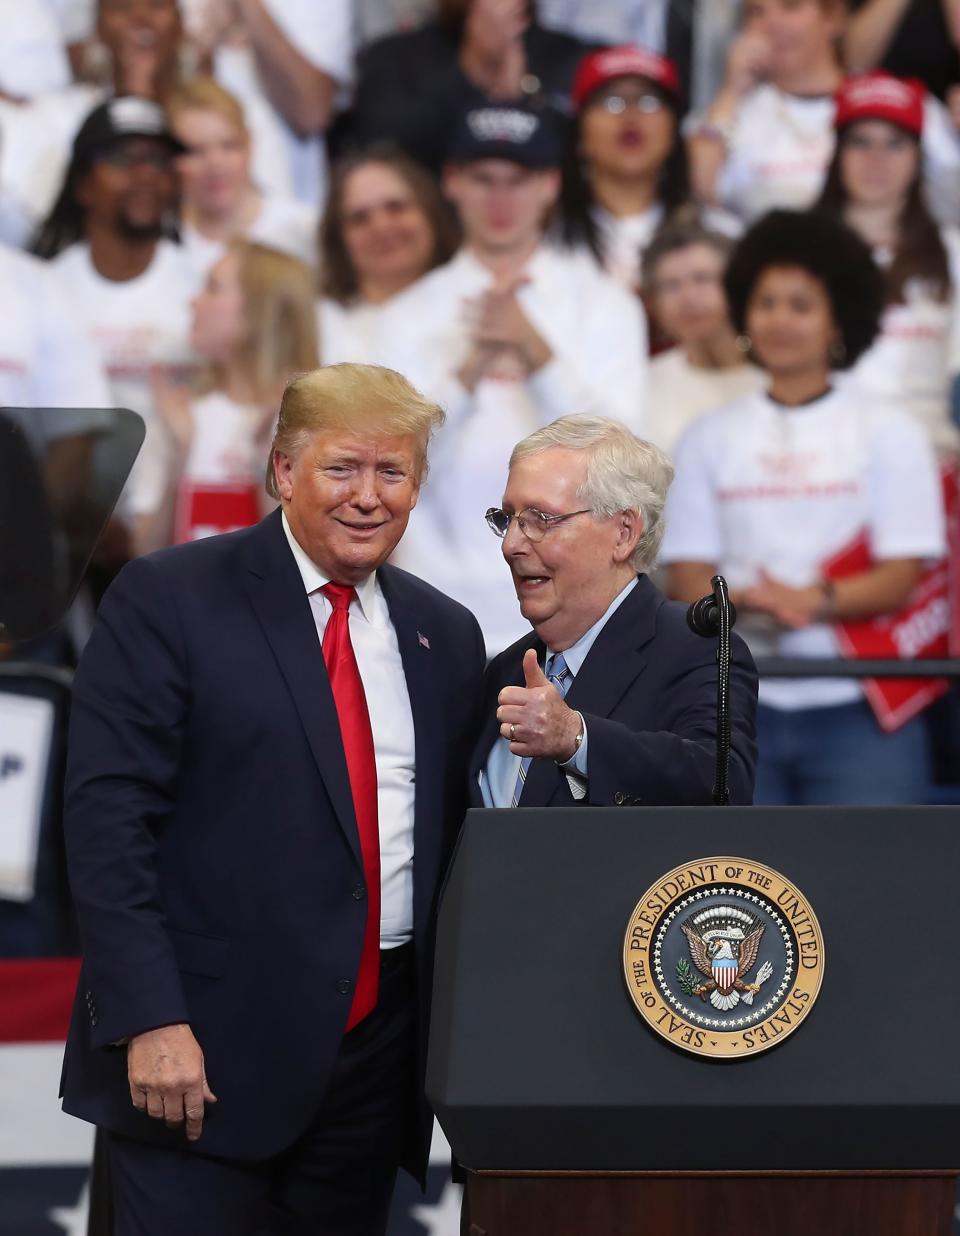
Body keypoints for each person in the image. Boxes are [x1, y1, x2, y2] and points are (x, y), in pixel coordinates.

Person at [61, 362, 486, 1235]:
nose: (368, 497)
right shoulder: (169, 597)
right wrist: (149, 1019)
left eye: (393, 472)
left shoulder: (446, 632)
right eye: (342, 468)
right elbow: (109, 826)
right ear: (283, 471)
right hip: (196, 1059)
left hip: (375, 1068)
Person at [661, 209, 946, 805]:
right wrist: (743, 602)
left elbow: (904, 575)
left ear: (837, 317)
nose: (779, 321)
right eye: (765, 303)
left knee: (882, 890)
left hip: (862, 705)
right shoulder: (707, 437)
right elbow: (686, 580)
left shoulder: (889, 430)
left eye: (800, 305)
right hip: (735, 708)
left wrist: (813, 603)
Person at [379, 102, 648, 654]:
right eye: (483, 179)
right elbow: (391, 462)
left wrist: (535, 350)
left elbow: (629, 465)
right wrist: (470, 366)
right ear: (452, 182)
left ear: (550, 184)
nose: (500, 199)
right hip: (436, 601)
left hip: (578, 612)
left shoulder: (605, 304)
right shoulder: (405, 316)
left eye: (518, 180)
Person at [472, 414, 758, 808]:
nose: (511, 545)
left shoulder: (695, 649)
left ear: (624, 533)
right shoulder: (506, 670)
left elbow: (720, 783)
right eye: (509, 520)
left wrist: (576, 738)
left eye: (540, 519)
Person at [35, 96, 203, 531]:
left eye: (158, 160)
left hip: (178, 523)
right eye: (123, 158)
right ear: (82, 184)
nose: (145, 173)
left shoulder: (208, 284)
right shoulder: (44, 290)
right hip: (64, 525)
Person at [687, 0, 960, 228]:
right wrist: (731, 92)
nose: (771, 24)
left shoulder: (899, 101)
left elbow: (953, 197)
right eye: (756, 12)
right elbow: (700, 194)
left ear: (834, 19)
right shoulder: (727, 109)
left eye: (790, 7)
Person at [134, 240, 319, 554]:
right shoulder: (180, 414)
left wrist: (268, 463)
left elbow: (317, 567)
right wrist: (180, 457)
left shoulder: (321, 421)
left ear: (258, 311)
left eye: (213, 288)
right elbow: (142, 554)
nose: (194, 301)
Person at [816, 71, 960, 456]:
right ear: (837, 154)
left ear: (918, 157)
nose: (876, 159)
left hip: (932, 454)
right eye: (860, 142)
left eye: (894, 144)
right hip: (823, 454)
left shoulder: (953, 251)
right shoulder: (799, 248)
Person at [558, 43, 740, 292]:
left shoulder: (719, 234)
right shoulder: (542, 235)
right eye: (612, 101)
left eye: (649, 101)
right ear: (580, 133)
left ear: (674, 130)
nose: (631, 116)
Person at [342, 0, 591, 173]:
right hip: (432, 234)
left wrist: (522, 101)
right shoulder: (392, 57)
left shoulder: (578, 60)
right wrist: (471, 72)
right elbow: (381, 157)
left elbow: (588, 156)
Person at [319, 146, 460, 364]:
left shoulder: (474, 308)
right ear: (339, 239)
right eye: (359, 218)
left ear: (430, 213)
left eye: (396, 207)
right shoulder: (319, 324)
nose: (381, 227)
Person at [167, 76, 318, 272]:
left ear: (249, 145)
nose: (215, 164)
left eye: (229, 146)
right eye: (196, 151)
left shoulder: (304, 230)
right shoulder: (160, 246)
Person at [642, 221, 764, 456]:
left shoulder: (780, 373)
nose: (688, 297)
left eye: (703, 279)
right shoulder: (643, 384)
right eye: (671, 286)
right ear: (654, 304)